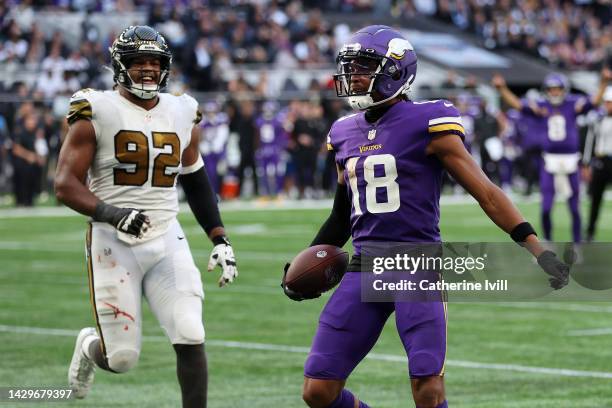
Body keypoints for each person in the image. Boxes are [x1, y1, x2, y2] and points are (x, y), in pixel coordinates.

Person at [282, 25, 570, 408]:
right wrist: (306, 261)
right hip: (364, 266)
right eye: (350, 68)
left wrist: (537, 248)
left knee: (428, 389)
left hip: (416, 263)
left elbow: (486, 192)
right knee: (318, 391)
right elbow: (341, 217)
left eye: (365, 67)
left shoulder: (429, 120)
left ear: (397, 71)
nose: (354, 77)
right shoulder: (342, 133)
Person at [54, 26, 238, 408]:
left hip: (166, 235)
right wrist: (113, 213)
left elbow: (195, 178)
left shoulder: (182, 110)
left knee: (190, 331)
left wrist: (219, 237)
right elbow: (65, 184)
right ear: (120, 66)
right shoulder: (96, 109)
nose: (148, 70)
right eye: (139, 62)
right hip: (112, 241)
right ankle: (90, 346)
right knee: (121, 359)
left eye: (155, 62)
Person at [492, 70, 610, 242]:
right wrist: (502, 89)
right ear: (546, 90)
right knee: (546, 207)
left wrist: (603, 84)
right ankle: (547, 241)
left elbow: (594, 102)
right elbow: (518, 105)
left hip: (570, 161)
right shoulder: (542, 106)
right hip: (549, 161)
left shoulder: (572, 103)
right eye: (551, 89)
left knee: (574, 208)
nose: (554, 92)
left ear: (564, 89)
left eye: (557, 89)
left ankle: (577, 243)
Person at [583, 86, 612, 241]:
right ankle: (590, 231)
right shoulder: (598, 119)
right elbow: (590, 141)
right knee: (595, 198)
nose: (608, 105)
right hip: (601, 161)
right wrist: (586, 163)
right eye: (607, 102)